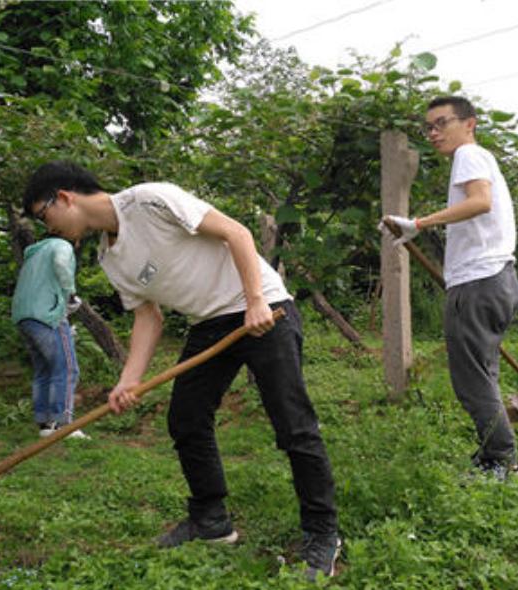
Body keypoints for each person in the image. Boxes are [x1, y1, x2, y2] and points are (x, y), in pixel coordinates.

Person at [23, 161, 341, 580]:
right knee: (187, 418)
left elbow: (236, 234)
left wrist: (255, 301)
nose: (50, 228)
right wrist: (128, 380)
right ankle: (211, 520)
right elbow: (148, 317)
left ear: (64, 197)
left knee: (293, 424)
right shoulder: (108, 258)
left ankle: (323, 534)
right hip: (209, 325)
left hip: (264, 309)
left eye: (45, 216)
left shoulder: (150, 200)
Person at [382, 96, 518, 481]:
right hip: (495, 278)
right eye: (428, 127)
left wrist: (419, 223)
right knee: (482, 374)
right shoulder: (480, 158)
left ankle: (503, 463)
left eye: (441, 123)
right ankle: (496, 455)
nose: (433, 133)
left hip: (479, 281)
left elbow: (480, 201)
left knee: (472, 380)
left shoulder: (469, 155)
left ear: (469, 123)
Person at [11, 235, 89, 440]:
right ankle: (63, 424)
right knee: (67, 368)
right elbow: (61, 263)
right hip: (48, 316)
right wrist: (70, 294)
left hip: (24, 317)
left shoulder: (34, 253)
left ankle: (45, 424)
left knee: (44, 370)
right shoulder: (61, 245)